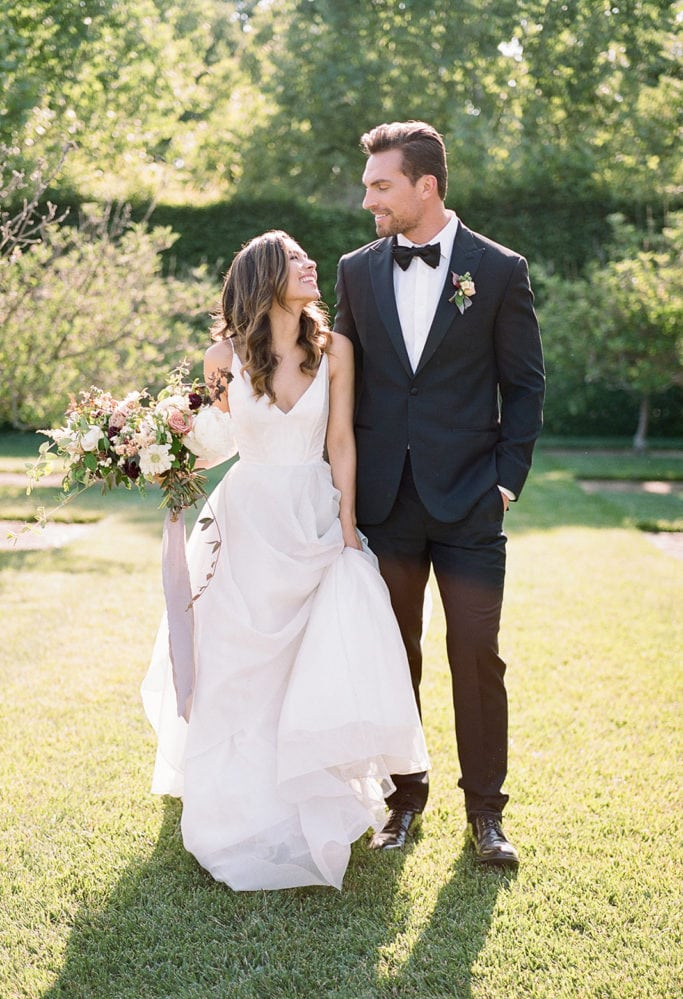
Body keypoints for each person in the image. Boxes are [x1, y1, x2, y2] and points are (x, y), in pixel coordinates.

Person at [141, 230, 429, 891]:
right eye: (298, 261)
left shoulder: (336, 351)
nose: (311, 268)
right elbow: (213, 442)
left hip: (313, 512)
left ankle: (306, 797)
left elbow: (342, 444)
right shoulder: (224, 354)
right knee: (238, 663)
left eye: (308, 260)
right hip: (244, 519)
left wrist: (348, 529)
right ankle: (235, 803)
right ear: (265, 276)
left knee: (309, 659)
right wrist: (154, 445)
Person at [334, 121, 545, 865]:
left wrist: (505, 485)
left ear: (425, 186)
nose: (368, 201)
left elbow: (522, 385)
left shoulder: (498, 269)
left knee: (476, 654)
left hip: (468, 502)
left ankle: (486, 816)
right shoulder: (355, 271)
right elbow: (335, 379)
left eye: (380, 185)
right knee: (393, 656)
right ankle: (401, 803)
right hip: (383, 504)